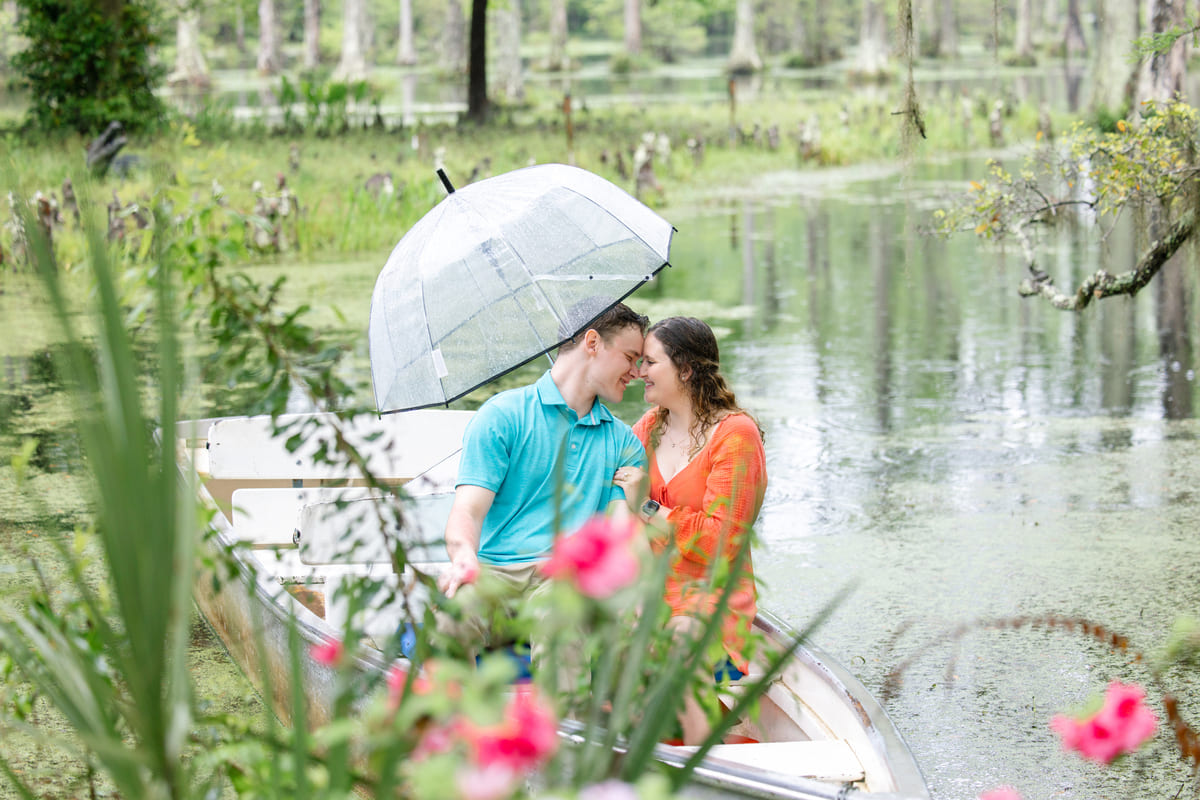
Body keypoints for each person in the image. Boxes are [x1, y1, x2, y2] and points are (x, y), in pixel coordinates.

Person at [436, 301, 650, 662]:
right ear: (592, 342)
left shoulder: (624, 443)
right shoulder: (502, 416)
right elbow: (468, 512)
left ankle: (566, 720)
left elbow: (617, 530)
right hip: (493, 574)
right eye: (630, 357)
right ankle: (452, 718)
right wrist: (463, 557)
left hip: (562, 584)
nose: (636, 372)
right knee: (452, 615)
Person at [613, 316, 766, 745]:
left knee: (677, 642)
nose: (639, 372)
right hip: (649, 593)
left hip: (709, 604)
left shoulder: (735, 436)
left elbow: (723, 542)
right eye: (638, 362)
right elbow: (614, 509)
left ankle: (703, 767)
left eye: (650, 362)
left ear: (685, 369)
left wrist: (648, 506)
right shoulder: (648, 427)